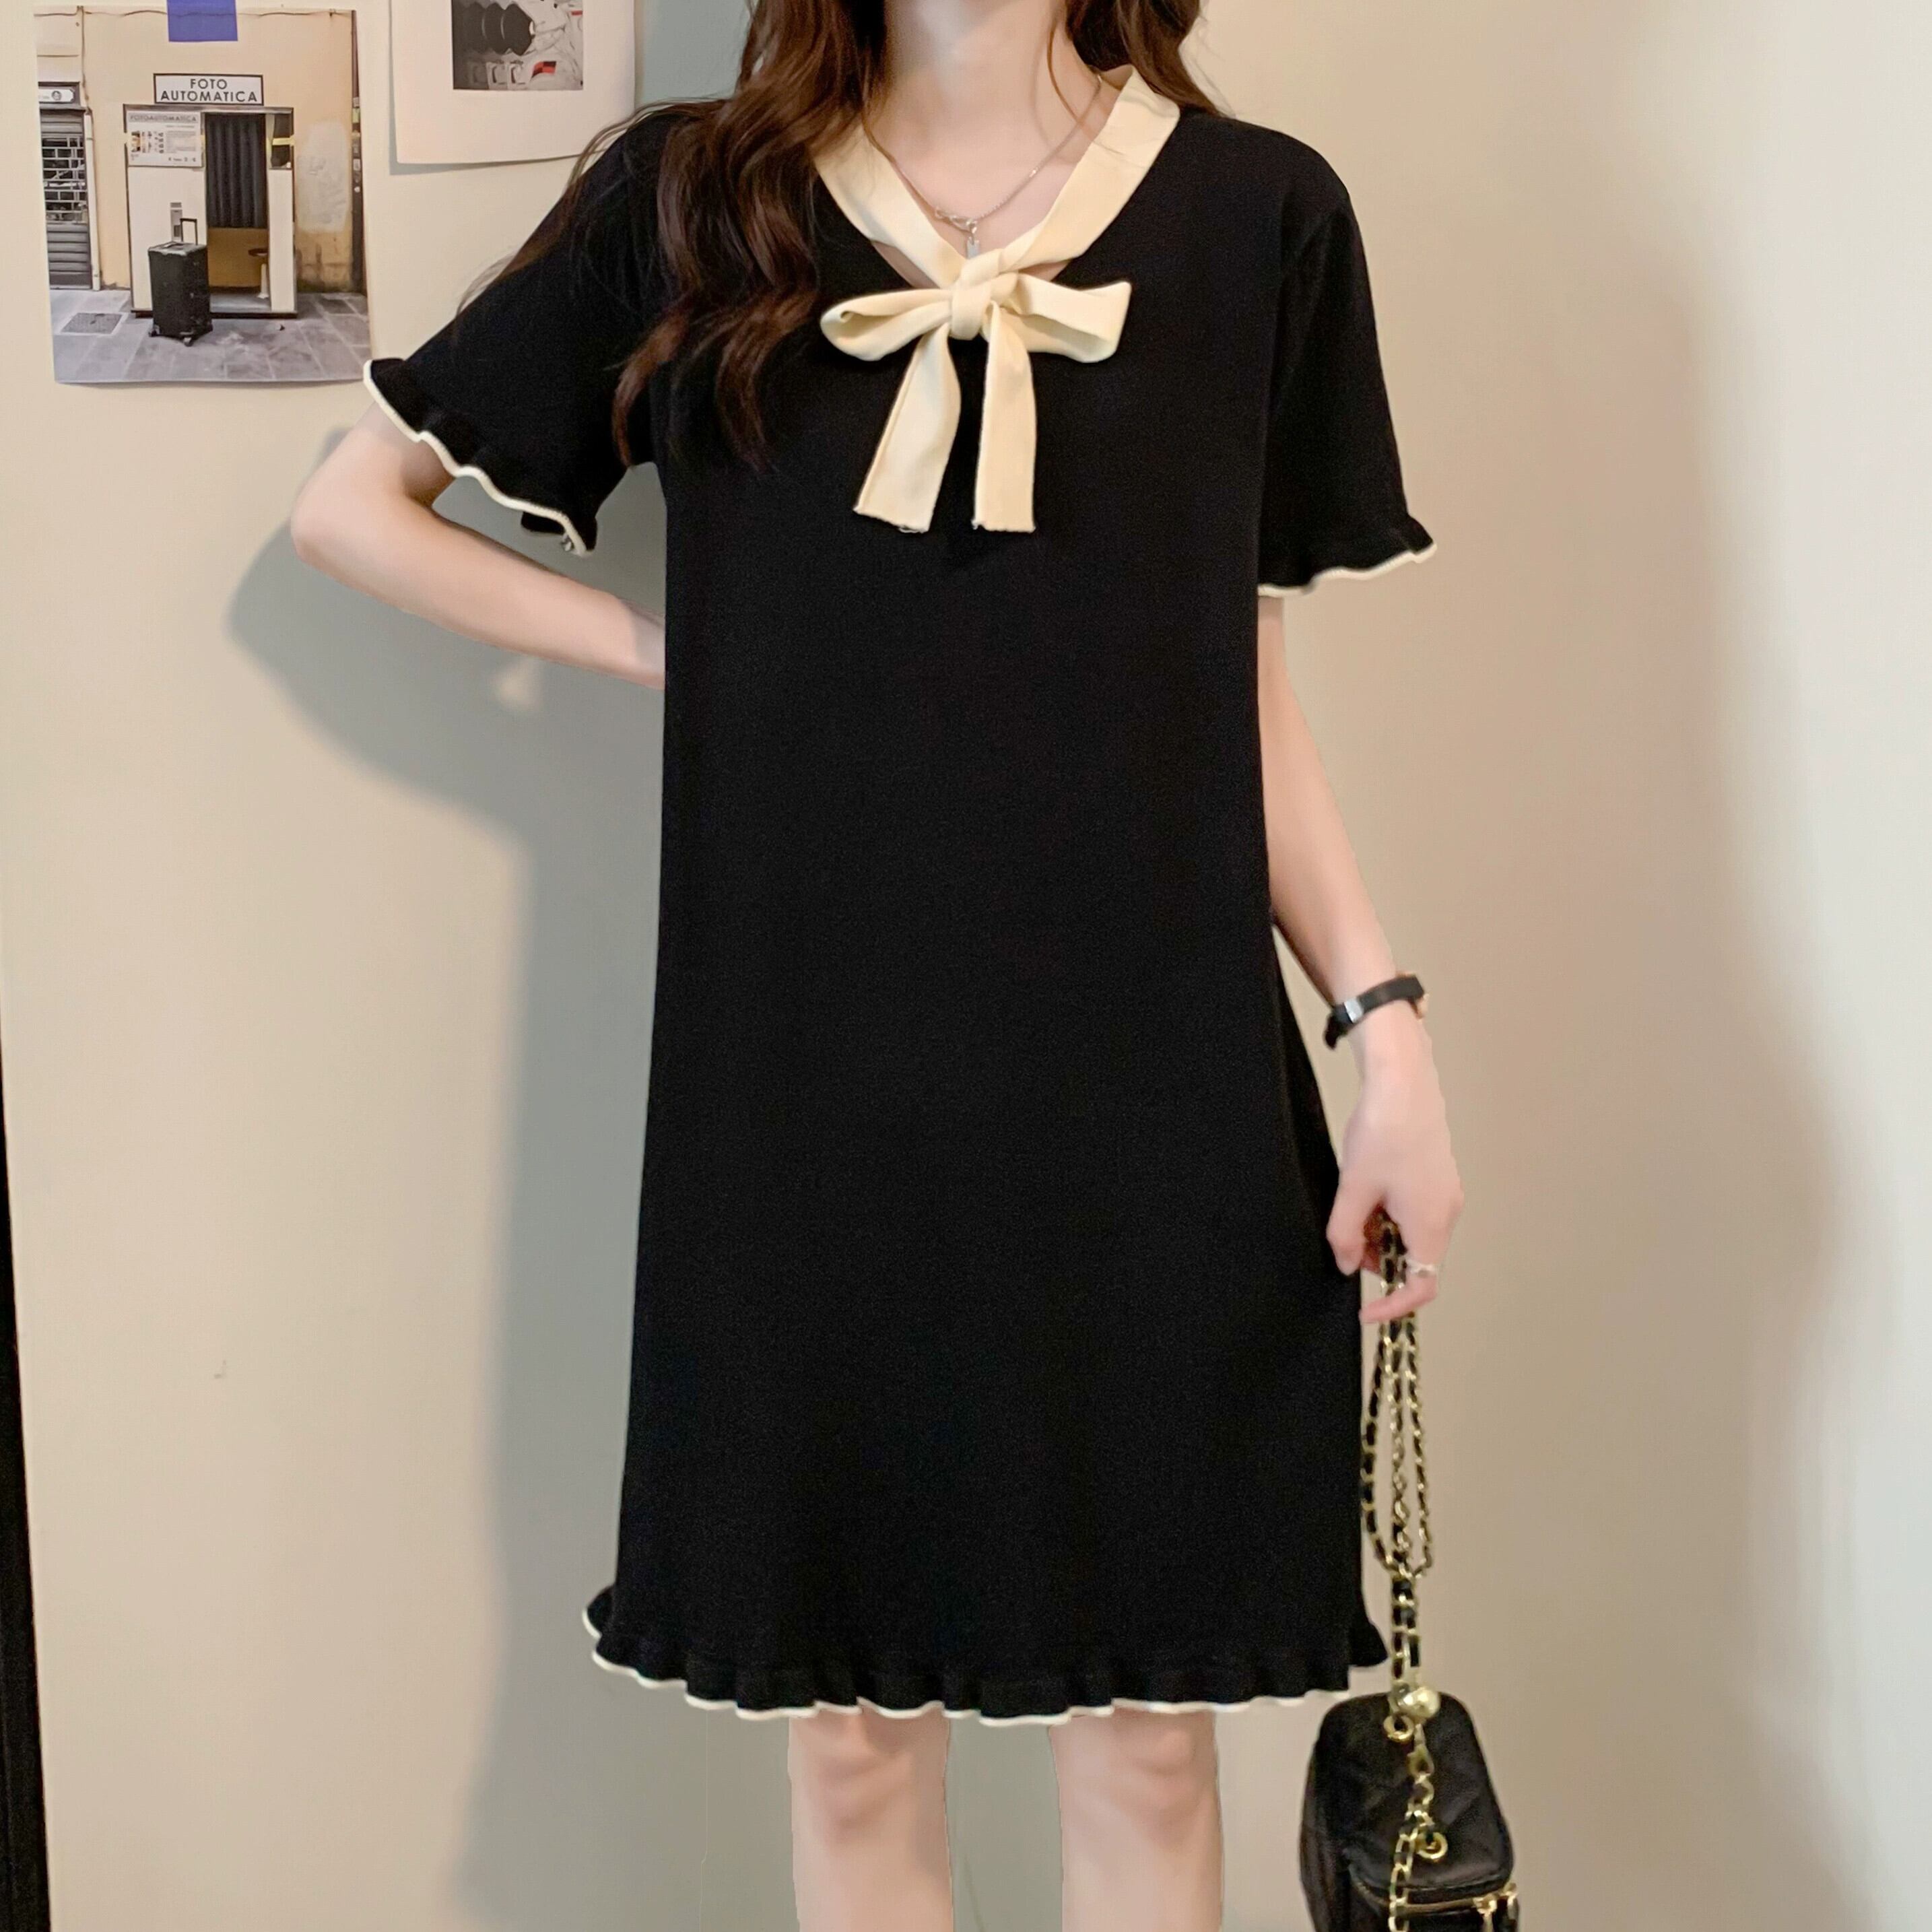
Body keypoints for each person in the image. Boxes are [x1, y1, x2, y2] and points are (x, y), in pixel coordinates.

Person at [291, 3, 1463, 1926]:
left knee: (1150, 1729)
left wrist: (1384, 1036)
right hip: (804, 1088)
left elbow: (1240, 693)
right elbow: (351, 510)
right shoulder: (698, 199)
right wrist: (688, 659)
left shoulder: (1260, 217)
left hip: (1150, 1081)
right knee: (846, 1733)